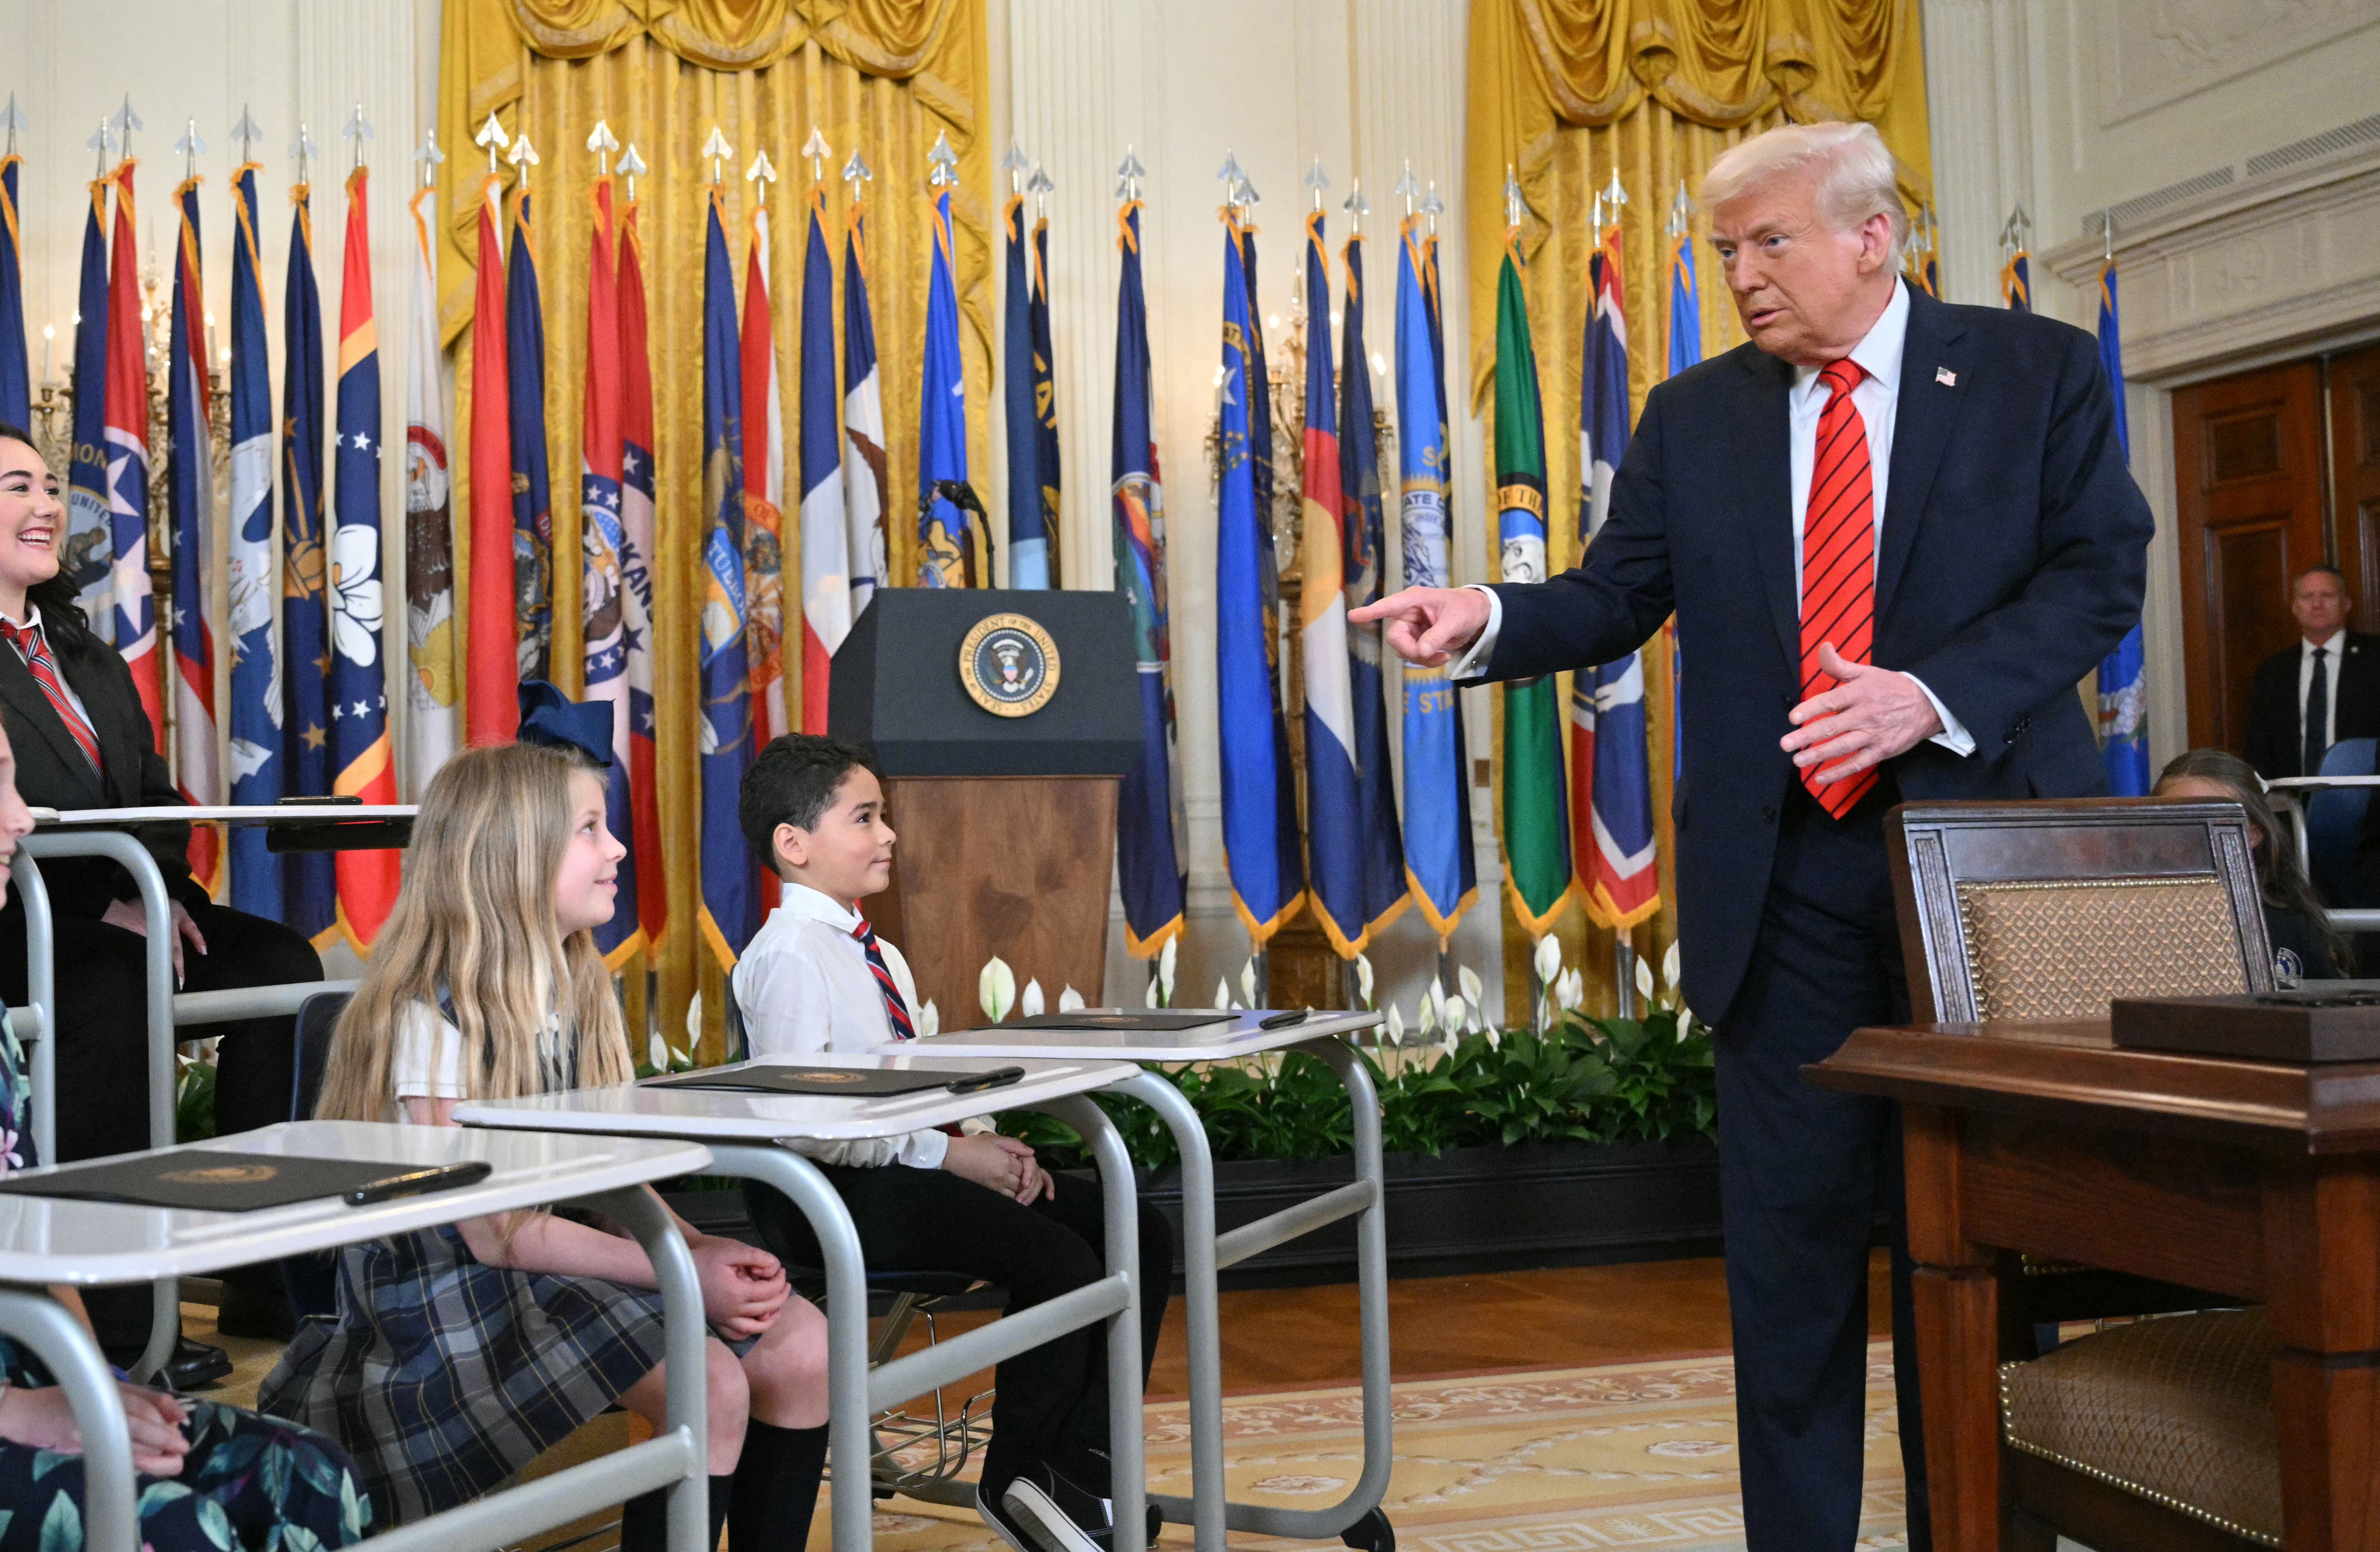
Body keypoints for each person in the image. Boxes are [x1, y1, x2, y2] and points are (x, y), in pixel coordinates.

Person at [1352, 122, 2152, 1550]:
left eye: (1767, 242)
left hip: (1966, 881)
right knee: (1786, 1274)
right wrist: (1486, 617)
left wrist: (1932, 696)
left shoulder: (2027, 372)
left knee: (1965, 1261)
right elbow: (1612, 599)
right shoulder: (1694, 412)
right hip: (1777, 884)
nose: (1739, 276)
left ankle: (1976, 1529)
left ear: (1868, 237)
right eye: (1724, 251)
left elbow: (2100, 572)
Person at [259, 742, 830, 1552]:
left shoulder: (574, 984)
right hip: (448, 1290)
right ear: (510, 858)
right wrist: (681, 1269)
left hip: (547, 1255)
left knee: (803, 1344)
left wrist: (699, 1245)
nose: (618, 849)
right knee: (710, 1381)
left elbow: (613, 1161)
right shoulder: (430, 1015)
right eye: (589, 830)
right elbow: (491, 1232)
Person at [732, 733, 1172, 1552]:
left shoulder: (876, 951)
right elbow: (808, 1123)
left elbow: (914, 1083)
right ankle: (1015, 1478)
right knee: (1059, 1262)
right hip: (833, 1194)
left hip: (903, 1166)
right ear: (793, 844)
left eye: (884, 815)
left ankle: (1081, 1461)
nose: (888, 833)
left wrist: (982, 1141)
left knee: (1131, 1222)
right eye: (864, 817)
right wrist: (949, 1156)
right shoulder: (790, 954)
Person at [0, 717, 371, 1552]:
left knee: (311, 1475)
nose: (24, 818)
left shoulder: (0, 1031)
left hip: (35, 1366)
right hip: (13, 1401)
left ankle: (256, 1276)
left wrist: (99, 1384)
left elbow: (22, 1231)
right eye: (2, 785)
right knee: (181, 1527)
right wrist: (27, 1411)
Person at [0, 425, 322, 1377]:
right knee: (111, 985)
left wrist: (169, 892)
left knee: (288, 971)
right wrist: (111, 907)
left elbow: (150, 789)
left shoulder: (82, 651)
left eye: (51, 485)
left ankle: (271, 1269)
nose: (50, 504)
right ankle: (124, 1328)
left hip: (128, 897)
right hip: (21, 917)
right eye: (20, 485)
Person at [2155, 749, 2348, 979]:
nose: (2189, 839)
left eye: (2209, 821)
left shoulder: (2287, 927)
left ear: (2253, 835)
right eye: (2176, 823)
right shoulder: (2130, 917)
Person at [2241, 566, 2380, 780]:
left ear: (2347, 604)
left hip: (2365, 796)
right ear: (2295, 607)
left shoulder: (2374, 657)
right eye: (2307, 597)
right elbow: (2258, 745)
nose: (2317, 605)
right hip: (2291, 799)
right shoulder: (2273, 671)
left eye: (2327, 596)